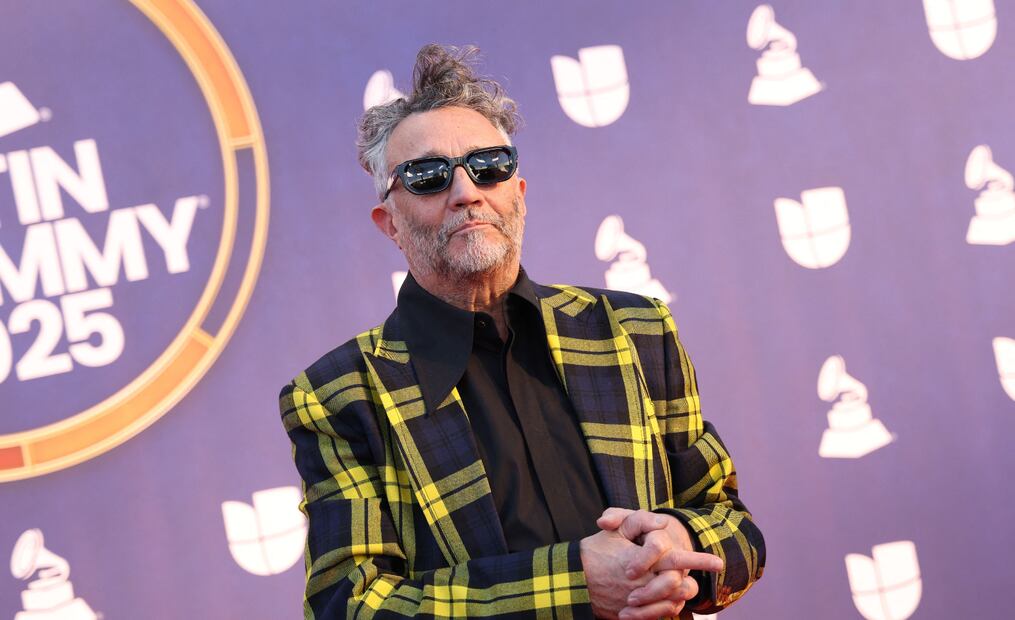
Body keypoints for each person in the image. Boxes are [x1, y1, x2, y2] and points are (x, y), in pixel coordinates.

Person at [279, 44, 765, 620]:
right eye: (429, 177)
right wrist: (577, 585)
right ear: (390, 224)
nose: (466, 192)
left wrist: (681, 547)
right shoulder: (340, 394)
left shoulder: (635, 328)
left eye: (489, 166)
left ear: (519, 195)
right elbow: (348, 605)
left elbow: (731, 525)